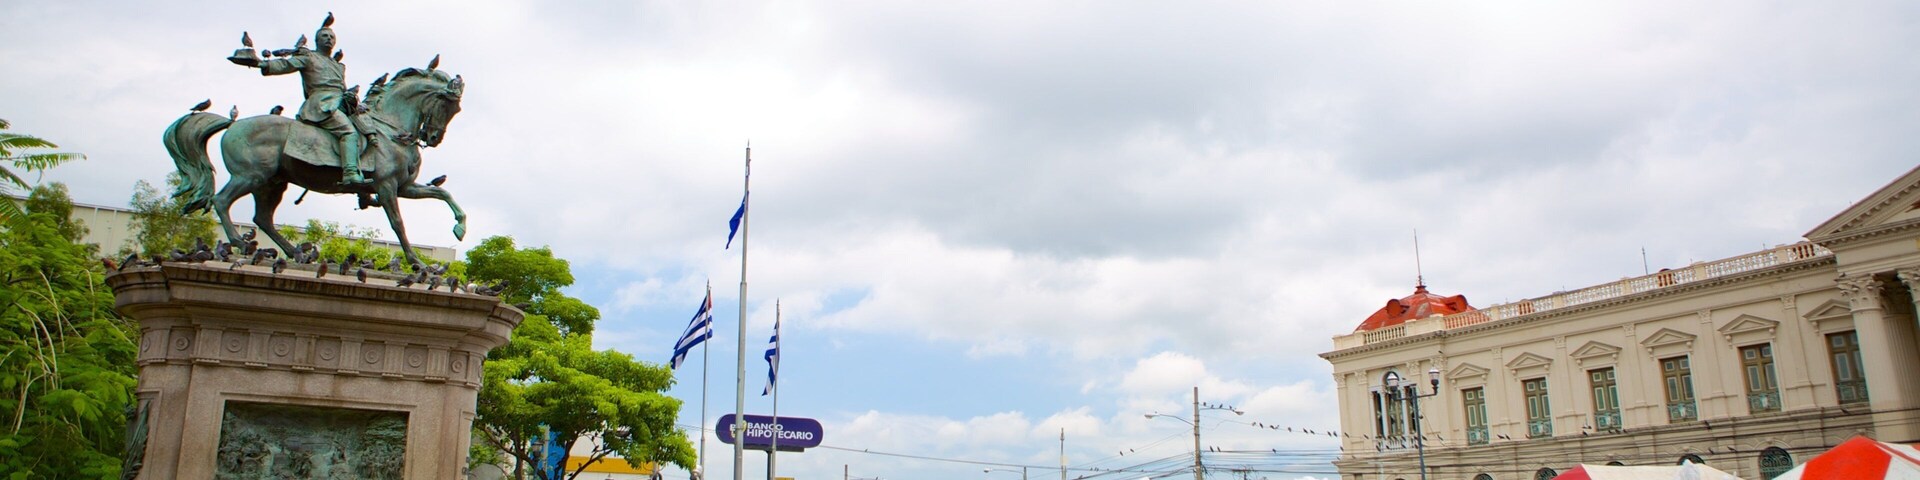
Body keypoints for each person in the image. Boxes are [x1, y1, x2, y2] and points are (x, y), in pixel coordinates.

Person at [229, 14, 369, 186]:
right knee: (349, 133)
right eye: (325, 36)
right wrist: (263, 64)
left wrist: (350, 98)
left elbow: (342, 87)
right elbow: (287, 65)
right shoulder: (309, 57)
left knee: (368, 130)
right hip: (321, 104)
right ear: (317, 40)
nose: (329, 39)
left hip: (341, 104)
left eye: (332, 37)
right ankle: (349, 173)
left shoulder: (338, 65)